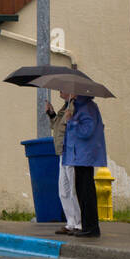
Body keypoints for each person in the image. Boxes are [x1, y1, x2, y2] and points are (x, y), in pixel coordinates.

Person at [62, 94, 107, 237]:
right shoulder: (79, 107)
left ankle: (91, 228)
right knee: (81, 191)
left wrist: (71, 121)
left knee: (86, 192)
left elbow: (87, 131)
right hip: (79, 156)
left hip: (85, 156)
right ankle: (87, 226)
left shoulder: (87, 107)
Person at [45, 91, 82, 235]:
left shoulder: (75, 106)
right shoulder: (65, 106)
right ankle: (70, 222)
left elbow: (75, 127)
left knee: (73, 189)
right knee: (63, 191)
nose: (59, 91)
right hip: (62, 152)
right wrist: (52, 113)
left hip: (71, 152)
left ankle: (79, 223)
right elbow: (57, 126)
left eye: (62, 88)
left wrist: (71, 119)